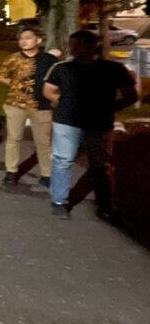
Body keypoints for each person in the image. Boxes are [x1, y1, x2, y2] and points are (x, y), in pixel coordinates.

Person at [43, 30, 137, 221]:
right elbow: (48, 90)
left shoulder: (113, 69)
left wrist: (111, 108)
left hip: (99, 124)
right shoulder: (62, 68)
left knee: (101, 166)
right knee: (62, 161)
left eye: (77, 44)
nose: (73, 48)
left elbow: (131, 95)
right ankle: (59, 201)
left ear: (92, 46)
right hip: (67, 123)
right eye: (72, 44)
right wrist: (64, 103)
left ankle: (105, 206)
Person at [0, 26, 56, 187]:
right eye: (21, 38)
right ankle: (11, 171)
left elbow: (57, 80)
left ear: (38, 41)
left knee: (43, 141)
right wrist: (15, 85)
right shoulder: (13, 58)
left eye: (28, 38)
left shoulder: (49, 60)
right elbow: (1, 77)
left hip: (41, 105)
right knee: (14, 138)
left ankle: (47, 173)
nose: (24, 41)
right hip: (16, 104)